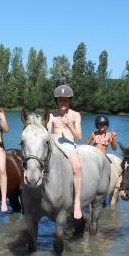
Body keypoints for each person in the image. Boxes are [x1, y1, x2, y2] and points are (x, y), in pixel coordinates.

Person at [46, 84, 83, 219]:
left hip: (68, 143)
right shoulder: (51, 116)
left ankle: (77, 202)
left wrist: (69, 125)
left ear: (69, 101)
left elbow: (78, 137)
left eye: (66, 100)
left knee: (77, 167)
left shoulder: (75, 115)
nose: (63, 103)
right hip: (54, 143)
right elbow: (48, 133)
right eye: (60, 100)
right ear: (57, 101)